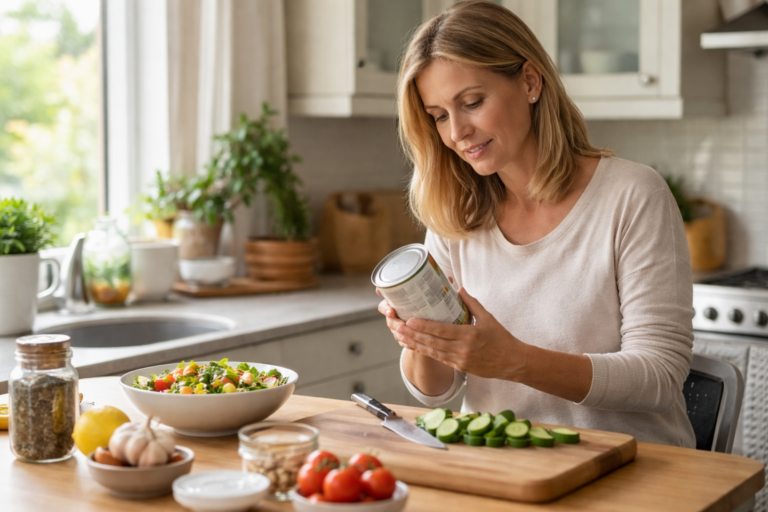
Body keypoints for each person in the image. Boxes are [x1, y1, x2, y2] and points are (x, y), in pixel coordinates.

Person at [377, 0, 696, 447]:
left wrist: (514, 361)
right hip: (505, 470)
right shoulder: (456, 213)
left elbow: (659, 376)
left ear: (529, 81)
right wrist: (421, 336)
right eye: (439, 117)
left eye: (471, 102)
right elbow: (436, 392)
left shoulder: (632, 195)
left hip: (631, 471)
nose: (456, 133)